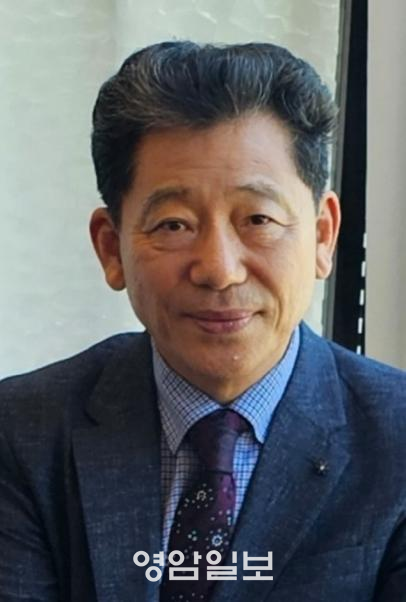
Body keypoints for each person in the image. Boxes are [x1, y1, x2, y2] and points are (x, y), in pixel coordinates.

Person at [0, 41, 405, 602]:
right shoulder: (23, 432)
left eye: (258, 219)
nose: (219, 269)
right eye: (174, 224)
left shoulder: (396, 438)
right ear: (111, 248)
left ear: (322, 236)